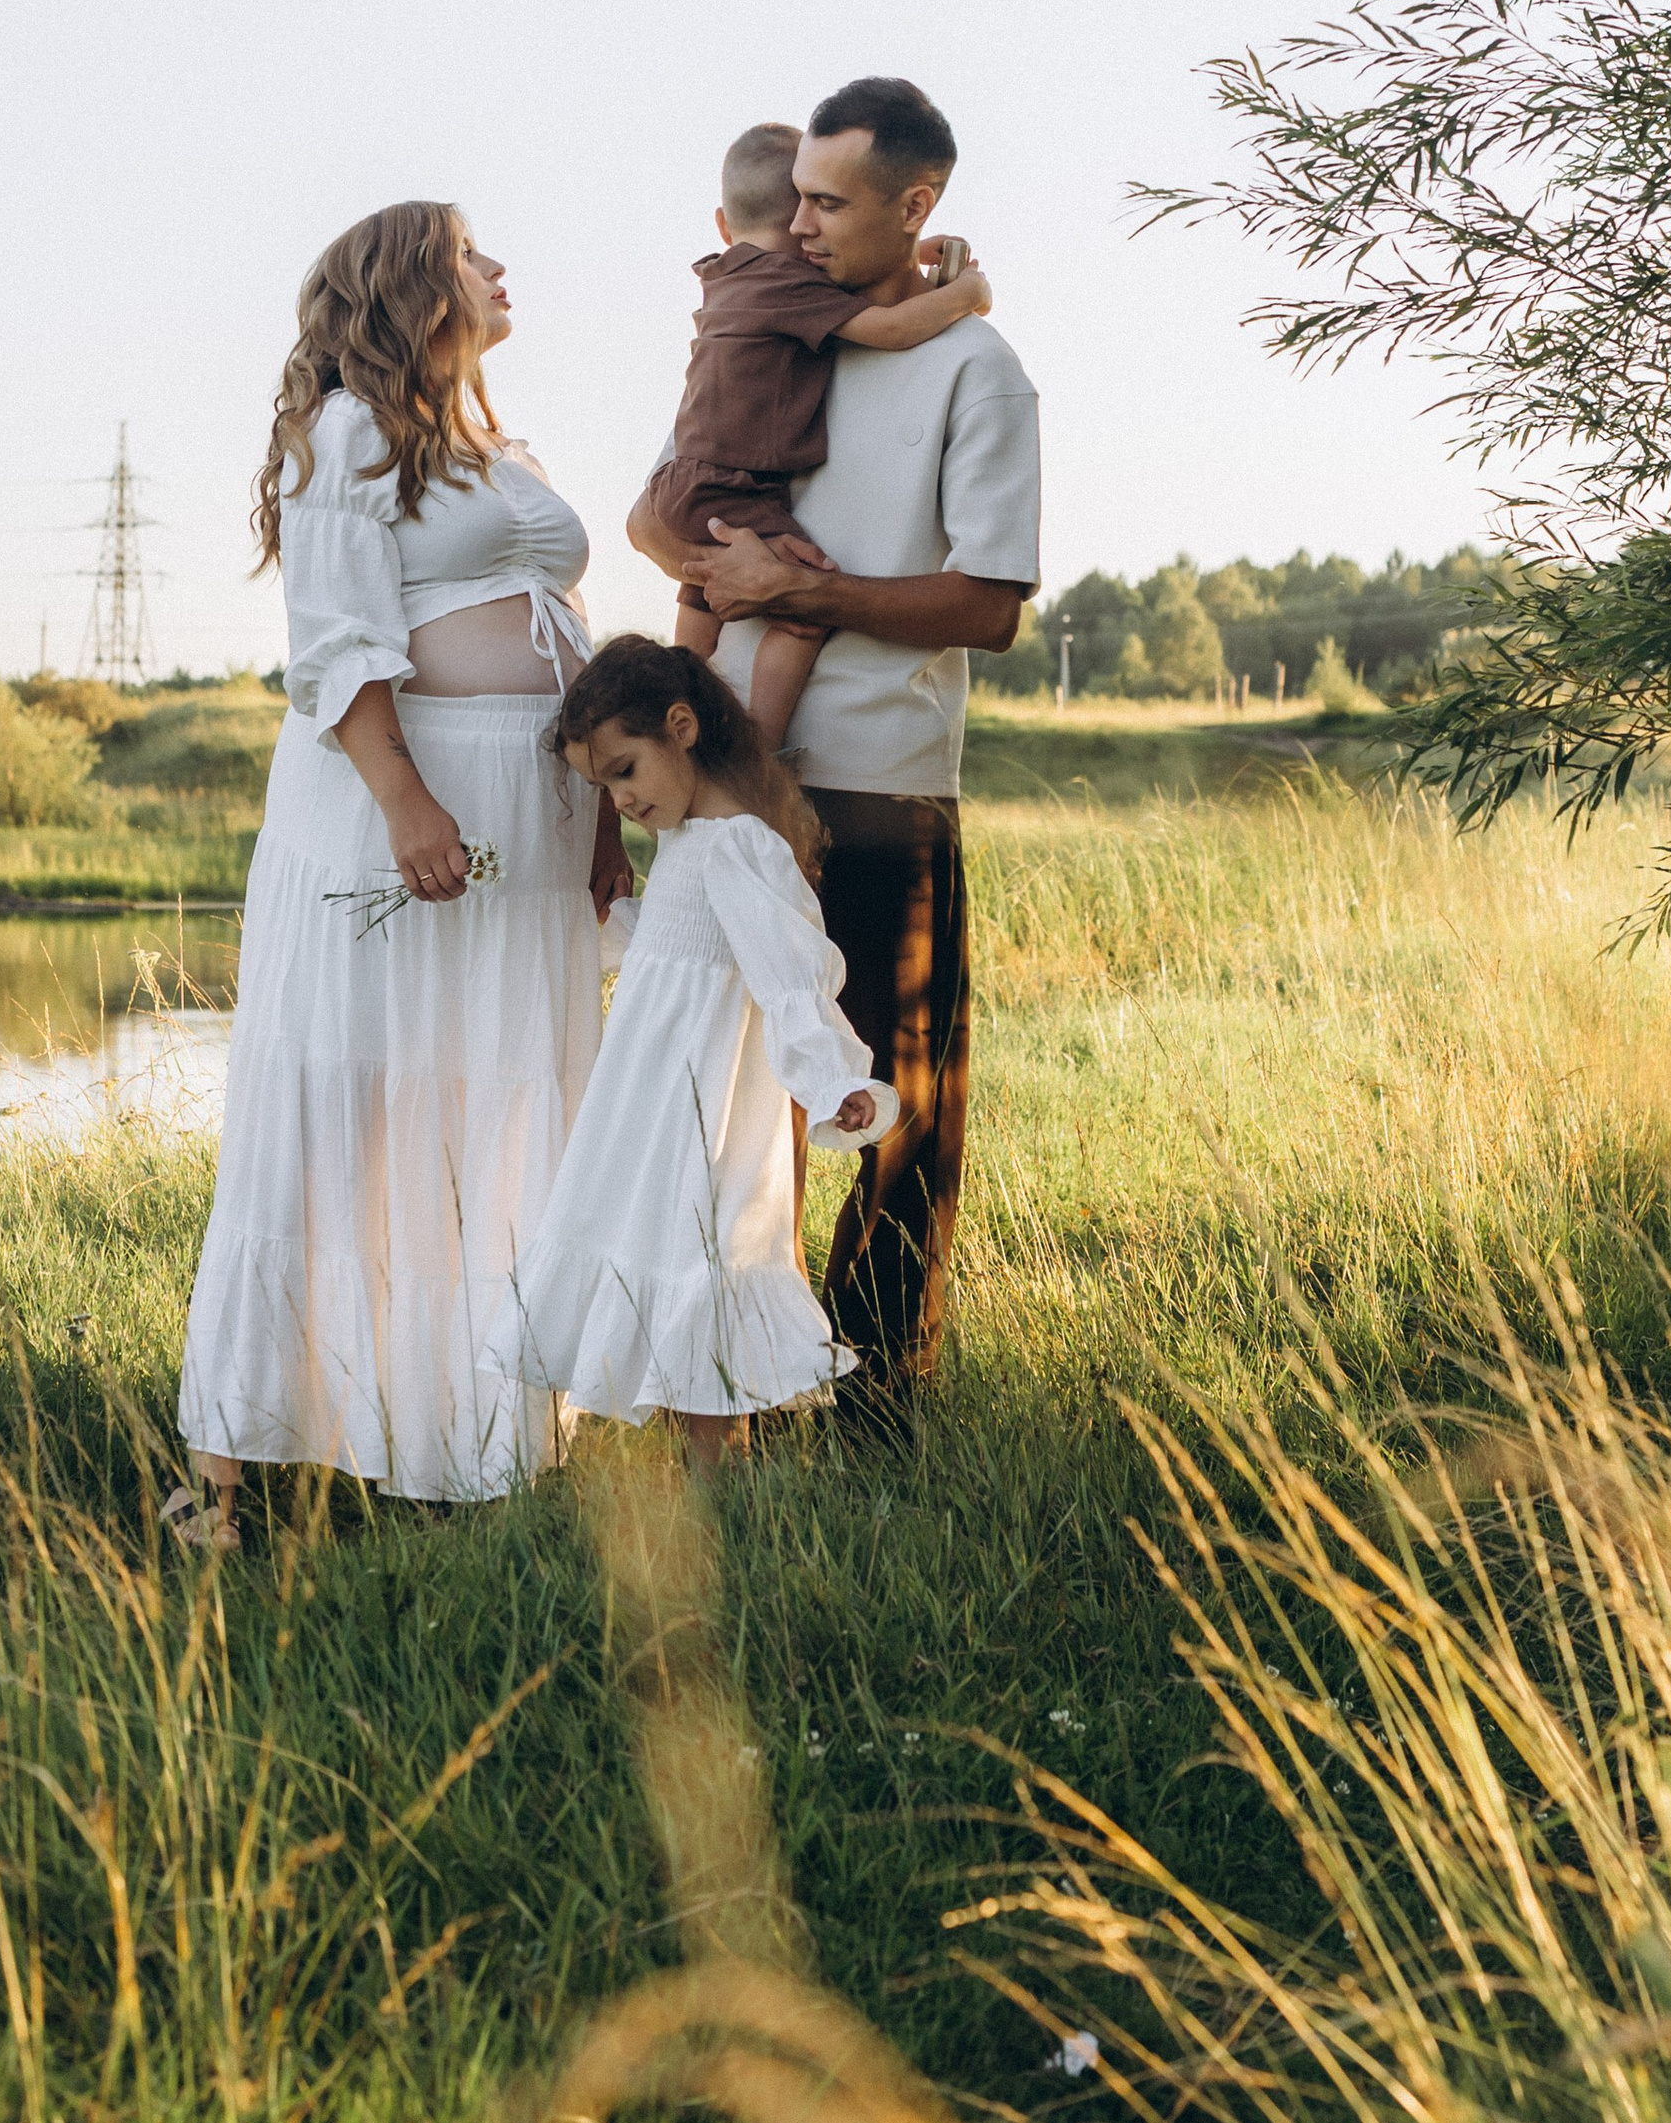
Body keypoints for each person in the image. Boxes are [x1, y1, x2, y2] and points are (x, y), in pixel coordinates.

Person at [175, 203, 631, 1541]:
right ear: (414, 289)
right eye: (476, 255)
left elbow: (569, 626)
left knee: (499, 1102)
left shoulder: (502, 442)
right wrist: (406, 804)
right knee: (339, 1106)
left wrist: (600, 807)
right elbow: (333, 645)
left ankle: (470, 1434)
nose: (502, 270)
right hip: (394, 799)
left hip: (533, 807)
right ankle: (226, 1480)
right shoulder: (348, 435)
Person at [628, 77, 1040, 1433]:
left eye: (829, 201)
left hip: (876, 787)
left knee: (894, 1093)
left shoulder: (976, 369)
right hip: (730, 786)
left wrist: (798, 592)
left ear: (914, 208)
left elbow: (990, 603)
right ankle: (738, 1371)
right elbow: (656, 511)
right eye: (792, 193)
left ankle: (879, 1398)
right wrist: (722, 569)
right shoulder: (777, 323)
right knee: (733, 1090)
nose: (797, 224)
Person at [514, 636, 892, 1475]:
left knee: (705, 1251)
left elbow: (790, 975)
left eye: (624, 771)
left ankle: (714, 1470)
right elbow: (679, 952)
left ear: (681, 727)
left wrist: (834, 1079)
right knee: (666, 1243)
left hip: (709, 1101)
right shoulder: (689, 841)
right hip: (653, 1094)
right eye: (602, 785)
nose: (620, 800)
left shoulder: (740, 847)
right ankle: (704, 1463)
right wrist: (607, 921)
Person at [639, 117, 994, 750]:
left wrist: (911, 251)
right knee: (799, 619)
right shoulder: (791, 283)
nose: (811, 234)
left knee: (699, 598)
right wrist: (967, 290)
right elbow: (889, 327)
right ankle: (763, 748)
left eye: (826, 206)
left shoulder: (727, 279)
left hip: (687, 482)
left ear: (724, 224)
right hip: (735, 488)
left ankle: (681, 722)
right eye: (805, 210)